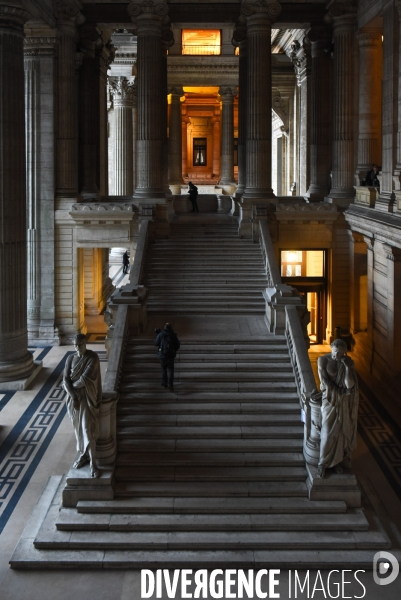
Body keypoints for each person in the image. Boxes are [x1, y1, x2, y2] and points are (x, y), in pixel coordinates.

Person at [315, 338, 359, 478]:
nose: (336, 356)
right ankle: (322, 463)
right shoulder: (323, 360)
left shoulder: (347, 363)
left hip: (343, 403)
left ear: (344, 353)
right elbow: (324, 382)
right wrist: (342, 393)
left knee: (341, 433)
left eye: (340, 354)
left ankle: (336, 462)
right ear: (331, 348)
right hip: (330, 400)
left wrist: (347, 368)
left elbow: (349, 385)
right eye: (335, 352)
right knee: (327, 433)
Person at [63, 333, 103, 478]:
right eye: (75, 345)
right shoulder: (70, 358)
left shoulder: (93, 358)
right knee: (78, 430)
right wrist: (73, 395)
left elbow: (84, 379)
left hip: (86, 398)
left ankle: (93, 463)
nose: (77, 347)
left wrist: (71, 387)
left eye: (80, 344)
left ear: (85, 343)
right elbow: (64, 380)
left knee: (87, 429)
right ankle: (83, 455)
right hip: (74, 400)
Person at [154, 323, 180, 392]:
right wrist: (173, 351)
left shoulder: (161, 334)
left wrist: (157, 335)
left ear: (164, 327)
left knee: (163, 369)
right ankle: (170, 385)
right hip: (171, 356)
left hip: (162, 355)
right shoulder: (173, 335)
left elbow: (156, 343)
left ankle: (164, 383)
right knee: (171, 370)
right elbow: (177, 345)